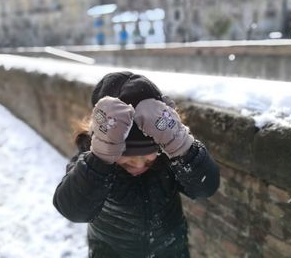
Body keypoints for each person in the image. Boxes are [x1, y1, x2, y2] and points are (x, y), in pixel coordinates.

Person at [53, 71, 220, 258]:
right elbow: (73, 210)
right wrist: (100, 158)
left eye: (148, 156)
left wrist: (182, 146)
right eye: (128, 156)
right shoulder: (92, 160)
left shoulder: (167, 155)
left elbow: (206, 187)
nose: (140, 164)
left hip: (172, 250)